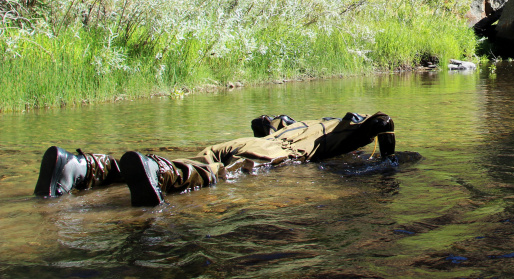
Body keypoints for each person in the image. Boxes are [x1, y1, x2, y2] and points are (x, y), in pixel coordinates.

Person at [34, 111, 396, 207]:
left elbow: (262, 122)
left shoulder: (296, 122)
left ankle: (85, 168)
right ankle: (158, 173)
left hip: (241, 141)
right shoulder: (335, 129)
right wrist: (387, 164)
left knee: (205, 160)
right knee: (223, 175)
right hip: (275, 153)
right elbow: (384, 121)